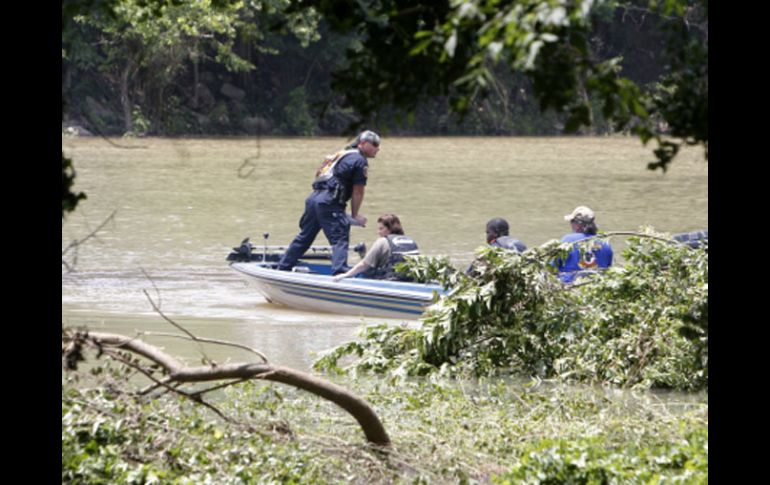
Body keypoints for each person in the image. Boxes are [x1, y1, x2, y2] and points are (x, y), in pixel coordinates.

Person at [278, 131, 380, 275]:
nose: (378, 148)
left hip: (313, 199)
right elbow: (358, 191)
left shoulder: (341, 154)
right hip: (329, 201)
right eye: (374, 144)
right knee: (340, 236)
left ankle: (283, 267)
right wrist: (355, 215)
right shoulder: (359, 160)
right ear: (362, 144)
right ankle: (340, 272)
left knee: (305, 237)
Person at [332, 214, 419, 281]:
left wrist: (346, 275)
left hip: (390, 281)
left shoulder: (382, 241)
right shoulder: (412, 241)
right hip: (410, 280)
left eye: (381, 229)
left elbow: (365, 264)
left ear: (390, 228)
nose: (378, 232)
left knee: (369, 271)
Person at [556, 206, 613, 283]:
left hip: (569, 286)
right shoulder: (605, 243)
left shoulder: (567, 241)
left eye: (571, 222)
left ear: (578, 225)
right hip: (596, 286)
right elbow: (608, 269)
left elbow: (551, 267)